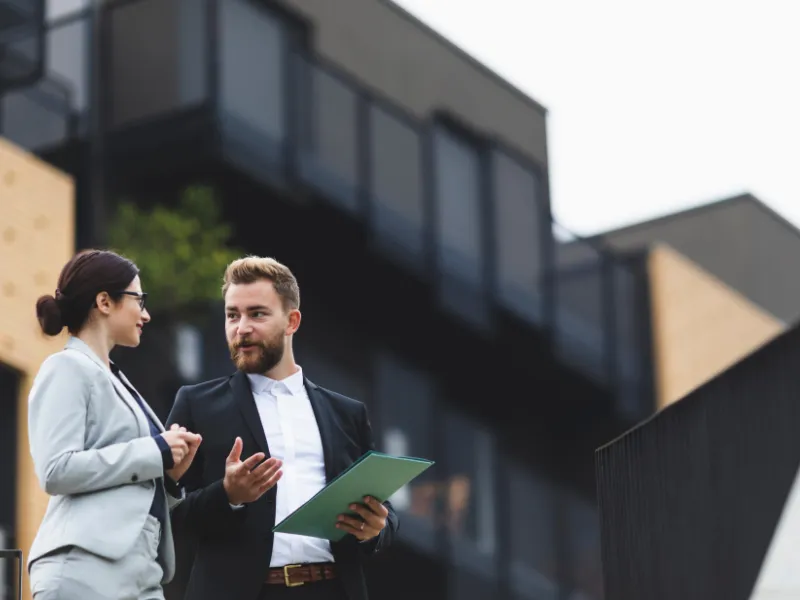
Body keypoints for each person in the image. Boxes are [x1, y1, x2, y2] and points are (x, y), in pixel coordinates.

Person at [166, 256, 397, 600]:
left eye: (257, 314)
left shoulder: (346, 413)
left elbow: (383, 513)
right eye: (232, 315)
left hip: (333, 589)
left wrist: (375, 529)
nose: (241, 328)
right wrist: (227, 497)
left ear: (292, 321)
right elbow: (165, 515)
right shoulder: (196, 404)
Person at [27, 249, 203, 600]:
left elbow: (126, 493)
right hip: (84, 570)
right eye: (139, 299)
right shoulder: (66, 368)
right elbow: (55, 470)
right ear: (104, 301)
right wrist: (154, 451)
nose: (147, 314)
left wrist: (167, 477)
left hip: (141, 574)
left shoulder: (116, 379)